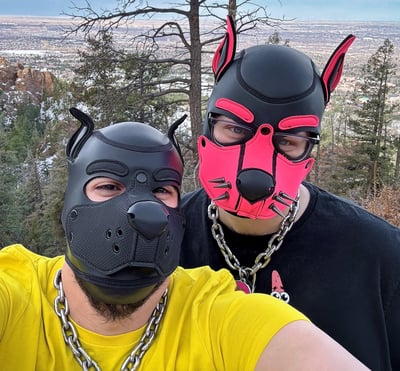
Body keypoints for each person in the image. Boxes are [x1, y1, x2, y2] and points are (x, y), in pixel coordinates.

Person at [0, 107, 368, 370]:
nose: (143, 211)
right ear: (70, 203)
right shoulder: (14, 293)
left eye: (162, 191)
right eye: (109, 186)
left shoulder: (215, 314)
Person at [179, 16, 400, 371]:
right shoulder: (163, 239)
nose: (255, 172)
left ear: (309, 151)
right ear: (208, 127)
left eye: (287, 141)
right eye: (235, 128)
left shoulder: (382, 258)